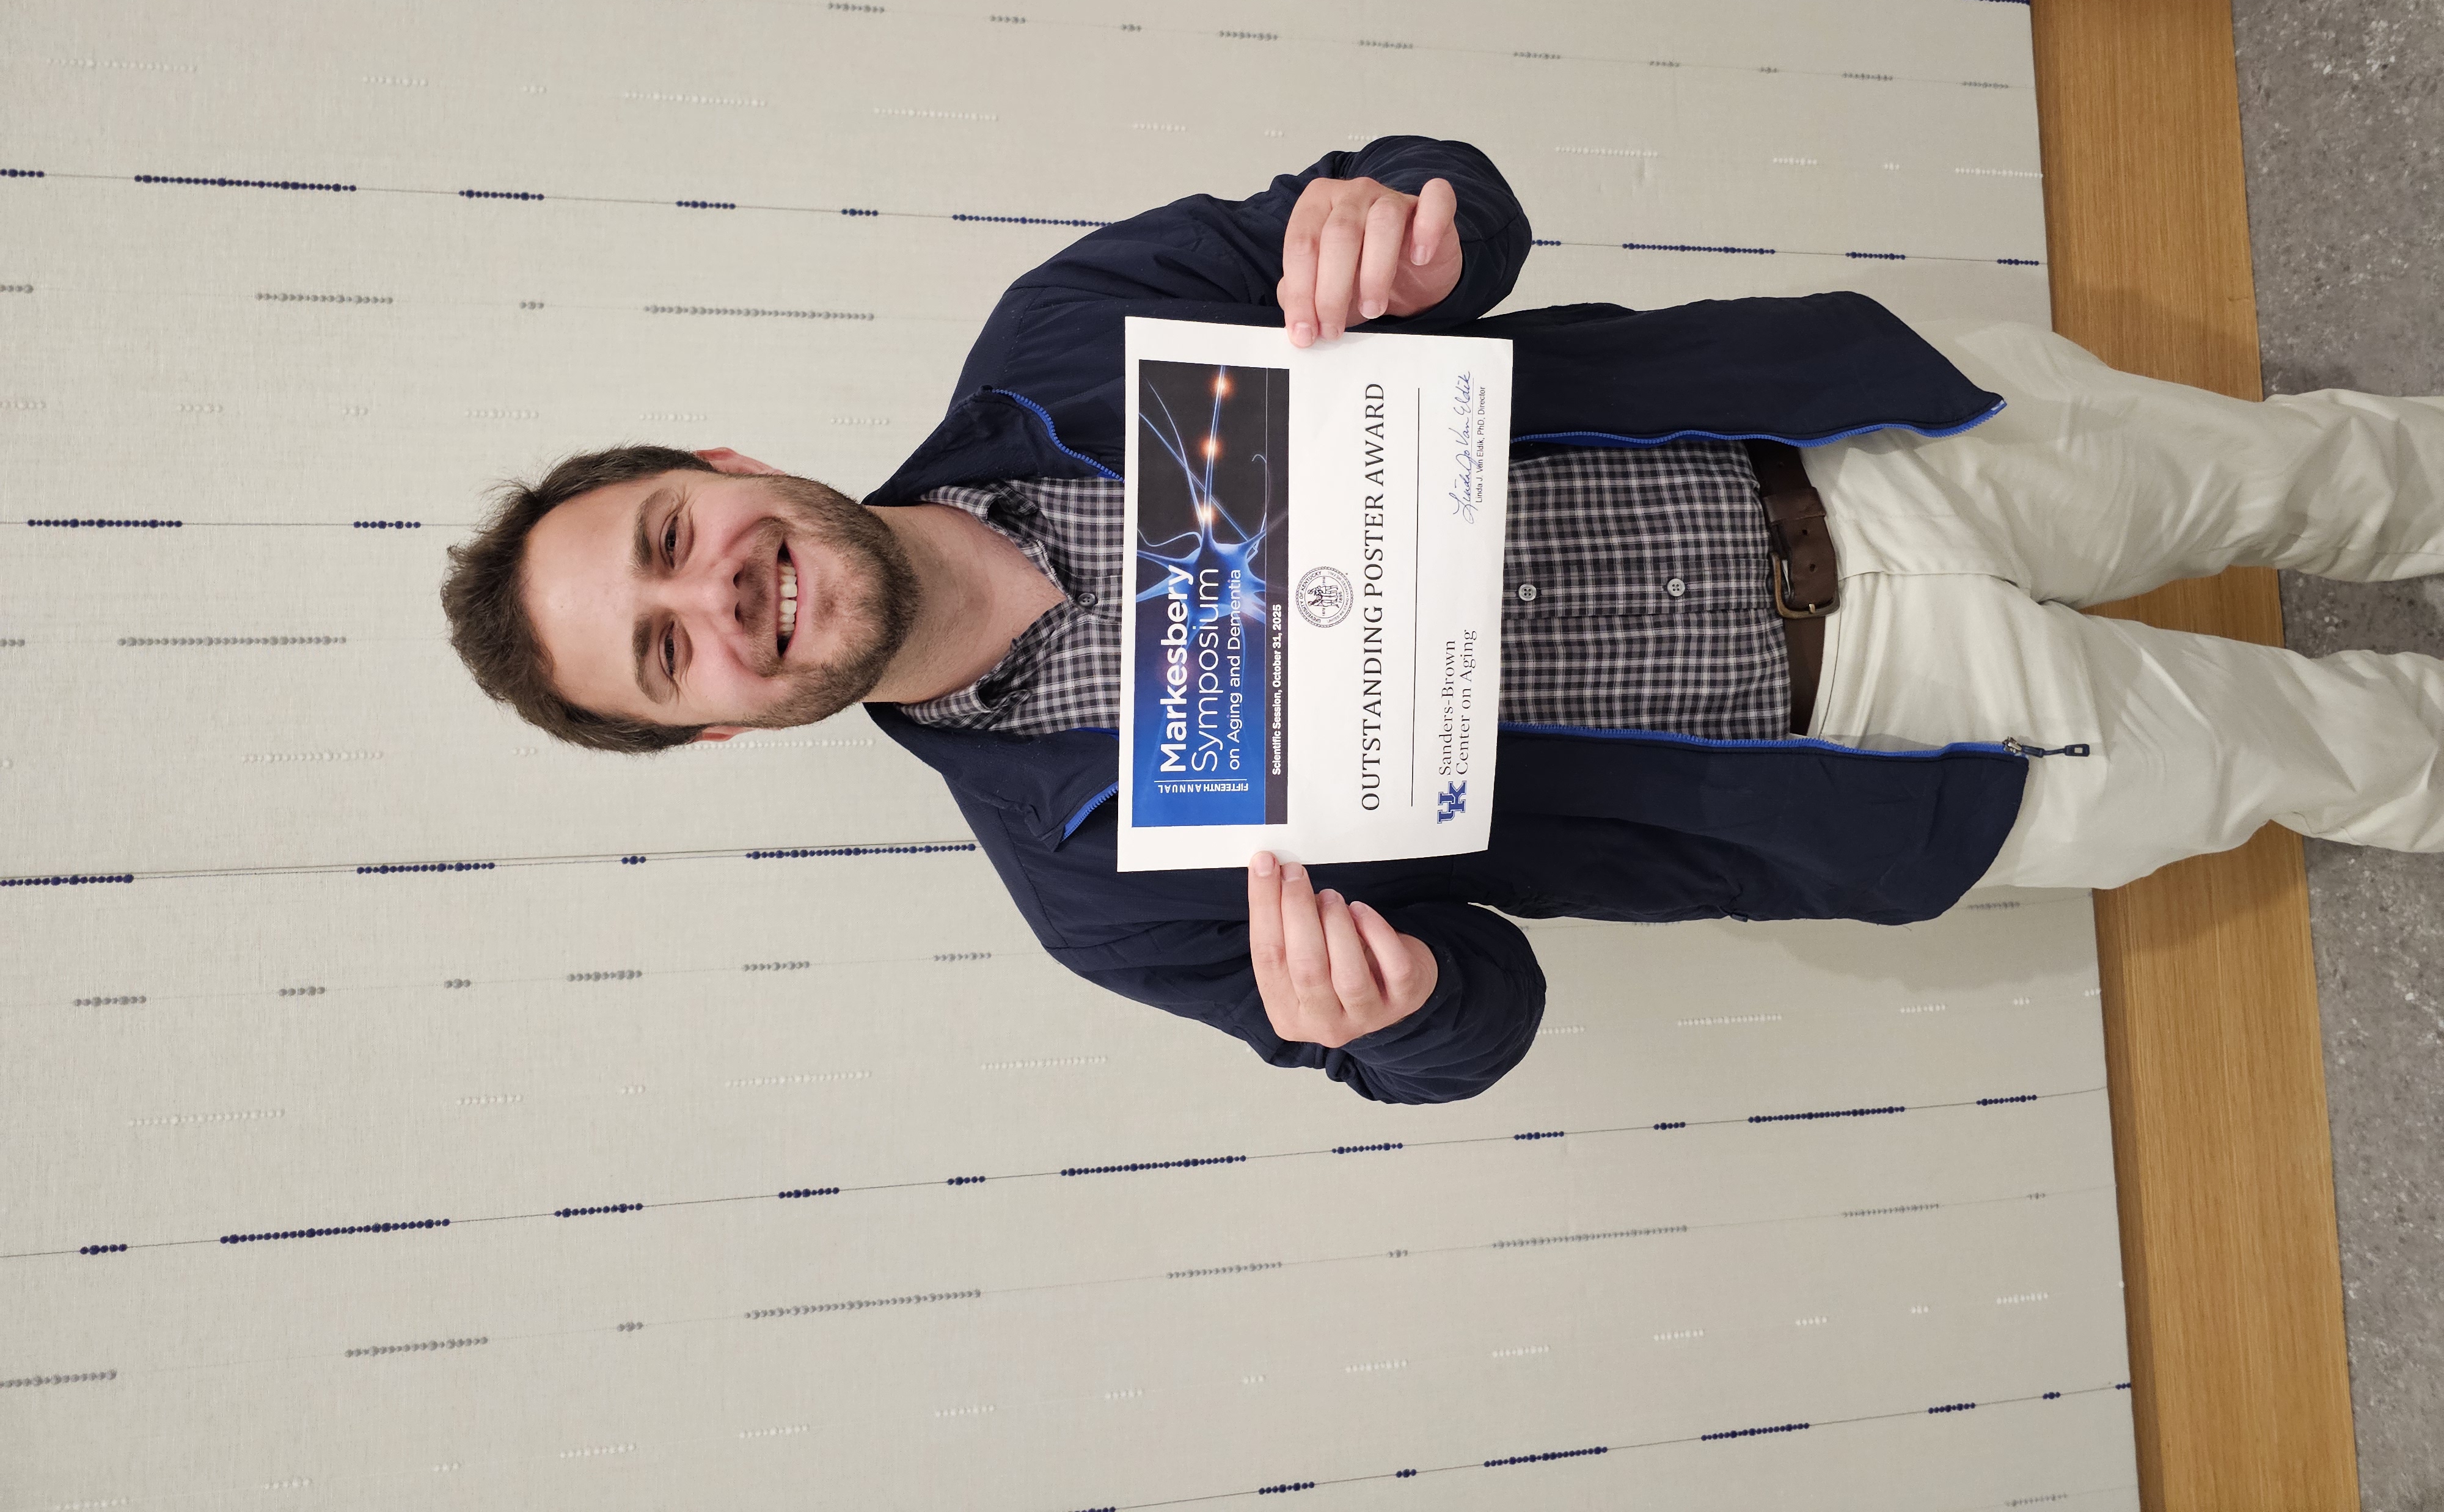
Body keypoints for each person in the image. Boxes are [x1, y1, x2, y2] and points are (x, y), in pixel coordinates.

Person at [441, 137, 2444, 1104]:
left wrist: (1392, 215)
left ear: (713, 467)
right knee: (2344, 762)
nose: (728, 593)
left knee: (2316, 470)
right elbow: (1476, 1024)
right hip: (1885, 737)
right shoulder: (1096, 883)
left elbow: (1459, 211)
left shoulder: (1061, 339)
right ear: (708, 729)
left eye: (672, 539)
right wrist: (1385, 1024)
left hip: (1851, 435)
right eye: (673, 647)